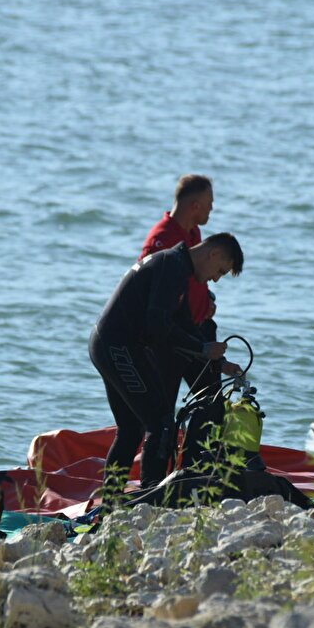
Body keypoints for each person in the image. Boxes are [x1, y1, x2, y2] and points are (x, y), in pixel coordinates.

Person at [90, 233, 244, 502]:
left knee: (131, 428)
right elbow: (157, 326)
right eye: (220, 271)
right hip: (117, 347)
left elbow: (183, 327)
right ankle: (151, 499)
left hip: (110, 345)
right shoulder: (171, 266)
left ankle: (111, 503)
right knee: (160, 421)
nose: (216, 279)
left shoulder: (176, 266)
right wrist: (202, 349)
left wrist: (218, 363)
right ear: (214, 254)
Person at [140, 174, 223, 451]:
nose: (213, 209)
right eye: (210, 203)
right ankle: (155, 479)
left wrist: (207, 299)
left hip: (197, 331)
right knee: (162, 415)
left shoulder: (193, 233)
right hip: (171, 339)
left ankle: (194, 468)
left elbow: (195, 280)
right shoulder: (161, 240)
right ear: (195, 205)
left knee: (211, 405)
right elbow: (152, 298)